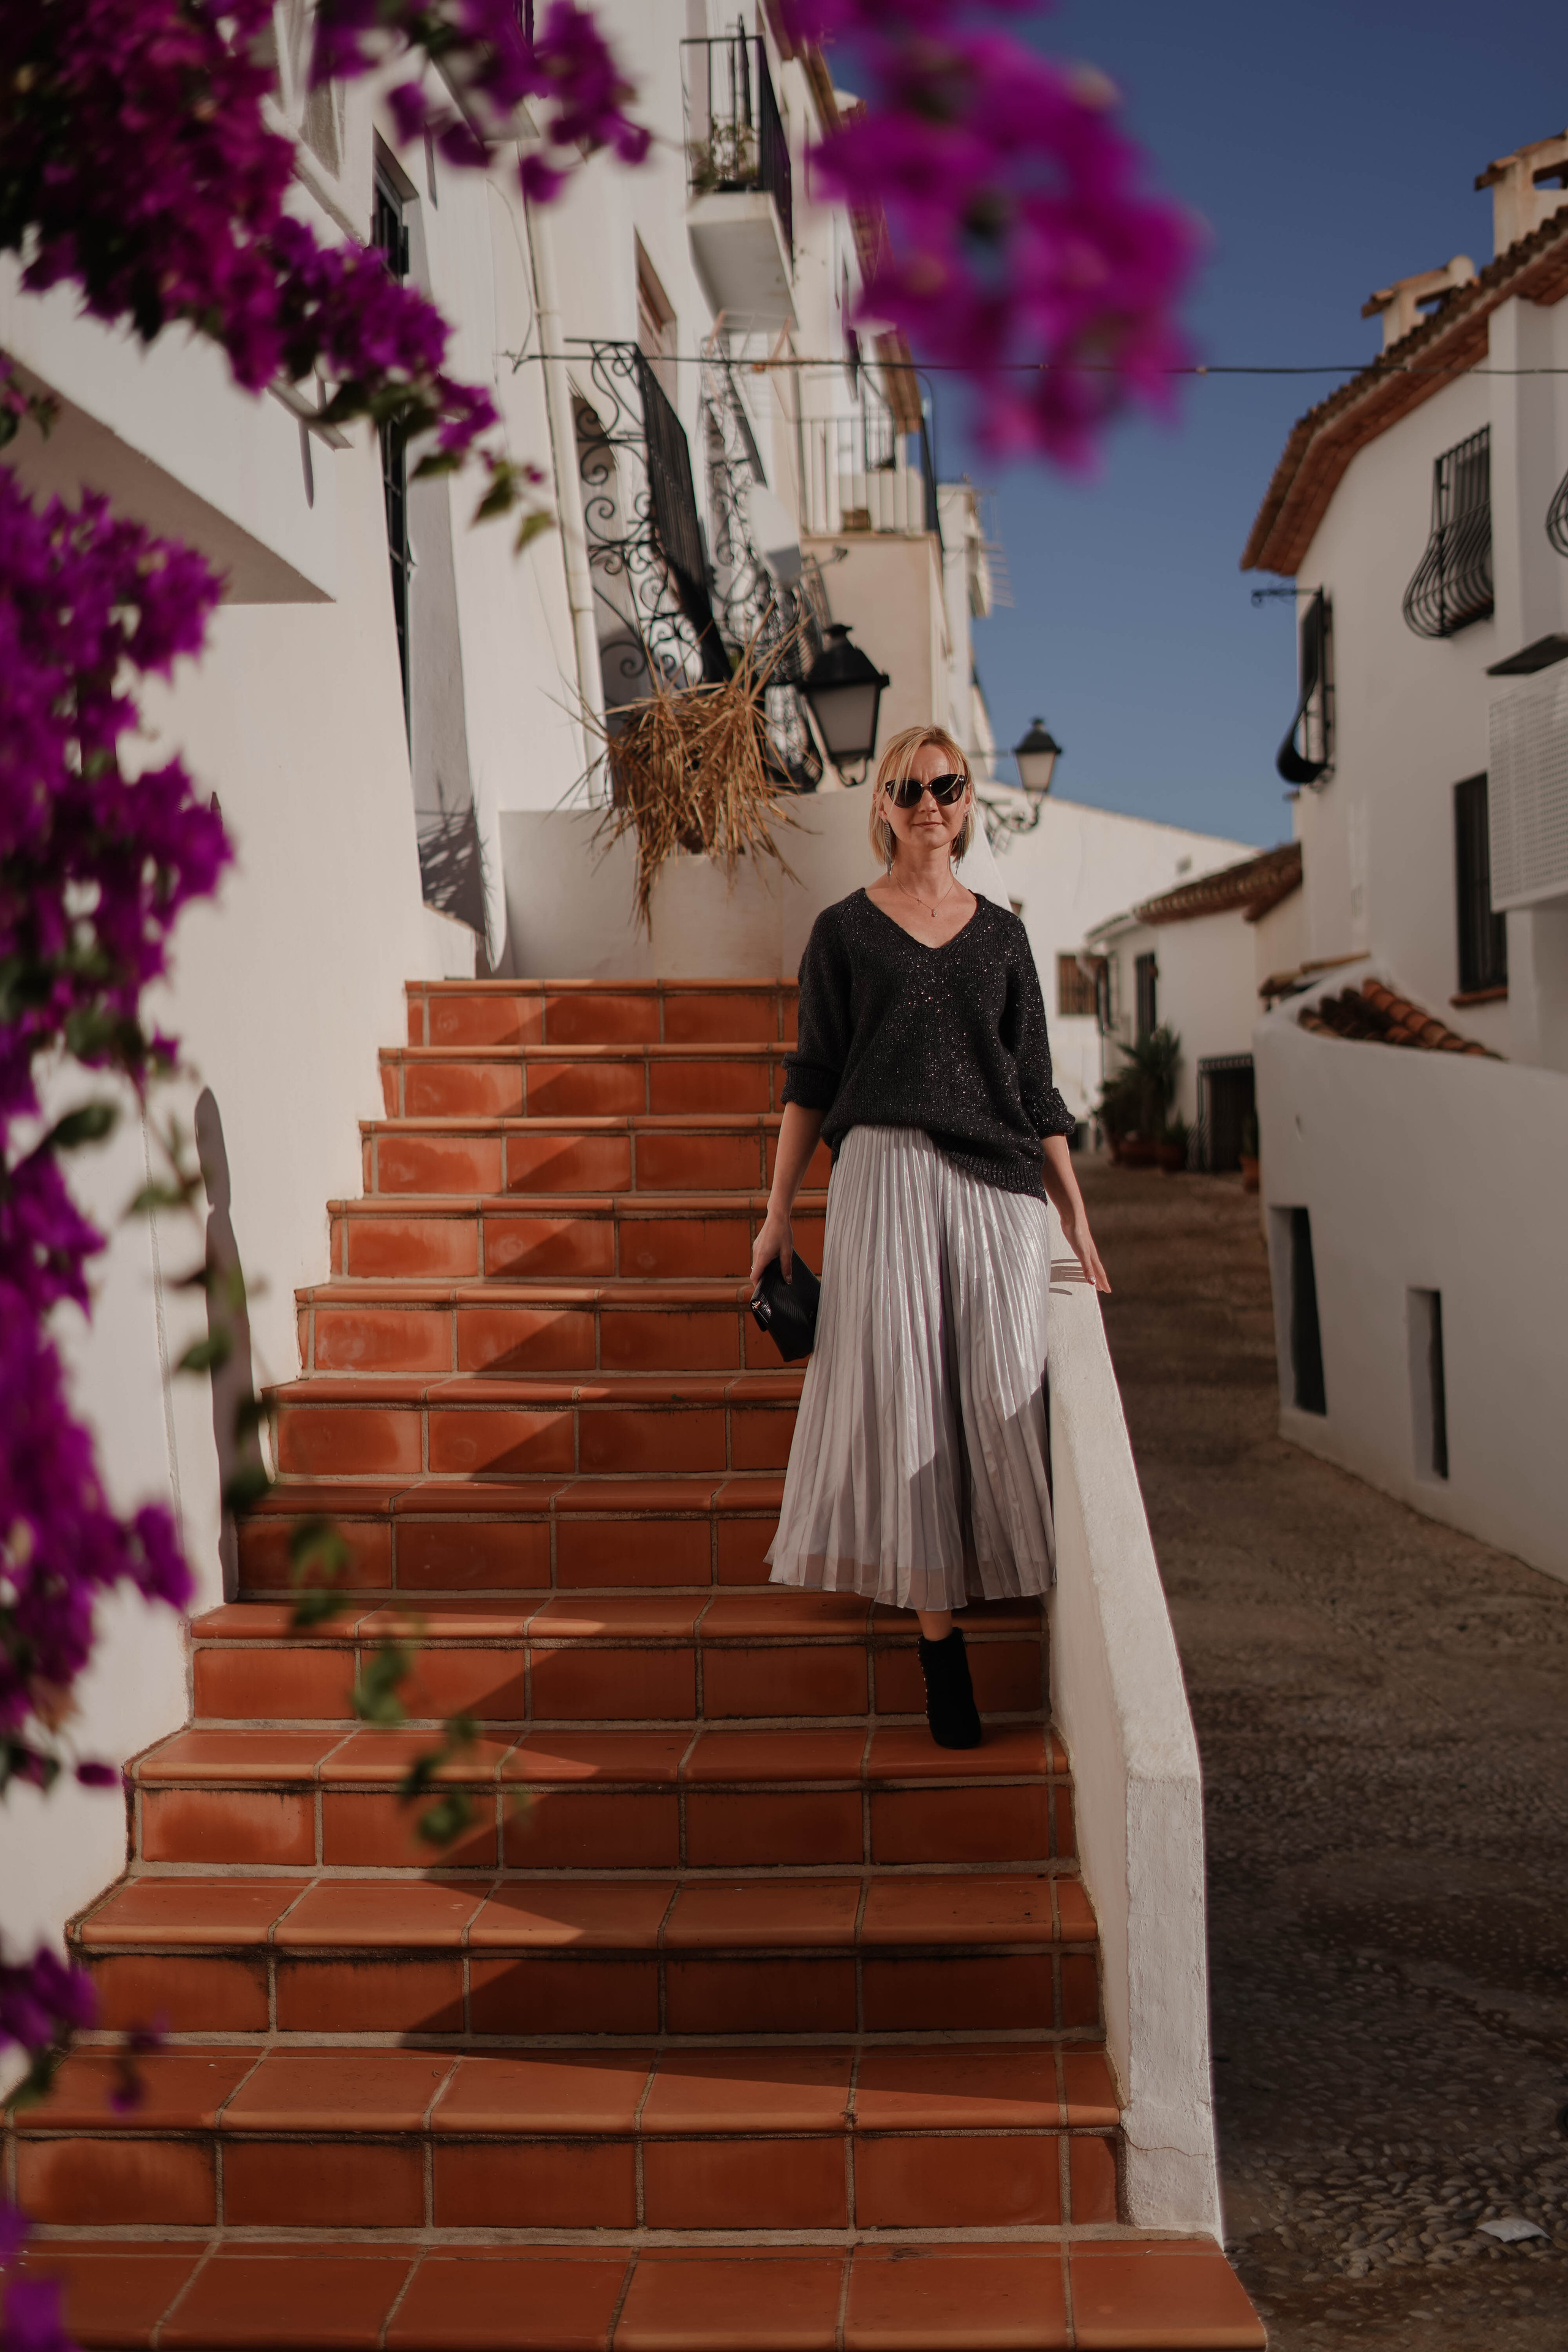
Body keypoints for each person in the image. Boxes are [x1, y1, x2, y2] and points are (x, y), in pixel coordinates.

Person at [750, 723, 1111, 1749]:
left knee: (999, 1391)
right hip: (884, 1178)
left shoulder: (1003, 936)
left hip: (998, 1192)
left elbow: (1035, 1084)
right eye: (910, 789)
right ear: (883, 804)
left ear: (966, 802)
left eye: (947, 787)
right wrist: (778, 1211)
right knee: (907, 1399)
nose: (930, 805)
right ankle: (940, 1647)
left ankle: (1000, 1576)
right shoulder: (844, 933)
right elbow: (813, 1078)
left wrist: (1076, 1212)